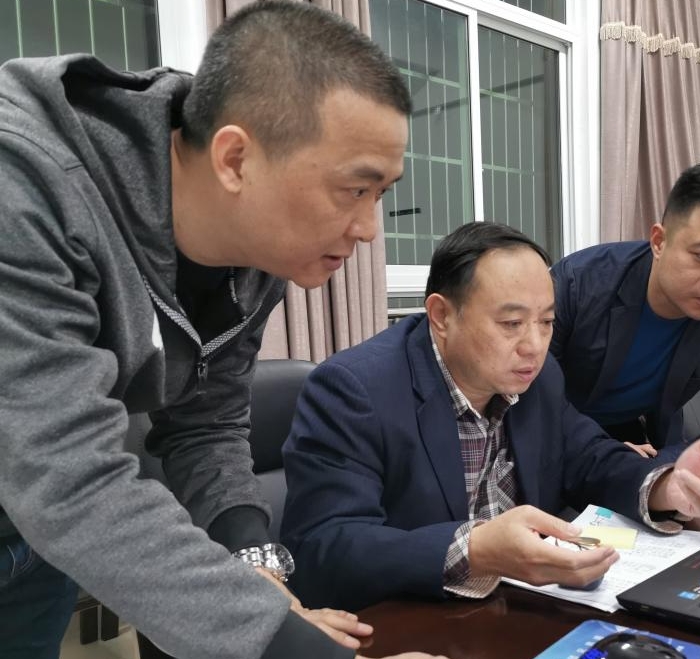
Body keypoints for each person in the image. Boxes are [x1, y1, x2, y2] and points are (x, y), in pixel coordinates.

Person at [0, 2, 437, 658]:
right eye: (355, 189)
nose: (369, 229)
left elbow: (204, 420)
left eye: (382, 194)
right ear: (235, 158)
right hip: (48, 498)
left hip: (35, 541)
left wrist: (252, 563)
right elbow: (67, 480)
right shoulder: (25, 189)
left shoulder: (254, 251)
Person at [280, 222, 700, 611]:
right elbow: (323, 548)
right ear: (441, 316)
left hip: (521, 607)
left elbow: (589, 457)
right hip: (414, 621)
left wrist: (664, 484)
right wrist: (475, 549)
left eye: (546, 322)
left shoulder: (540, 377)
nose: (534, 346)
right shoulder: (356, 389)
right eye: (511, 323)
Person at [549, 162, 700, 463]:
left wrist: (666, 466)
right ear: (659, 241)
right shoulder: (577, 284)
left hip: (643, 443)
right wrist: (599, 451)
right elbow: (528, 400)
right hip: (556, 438)